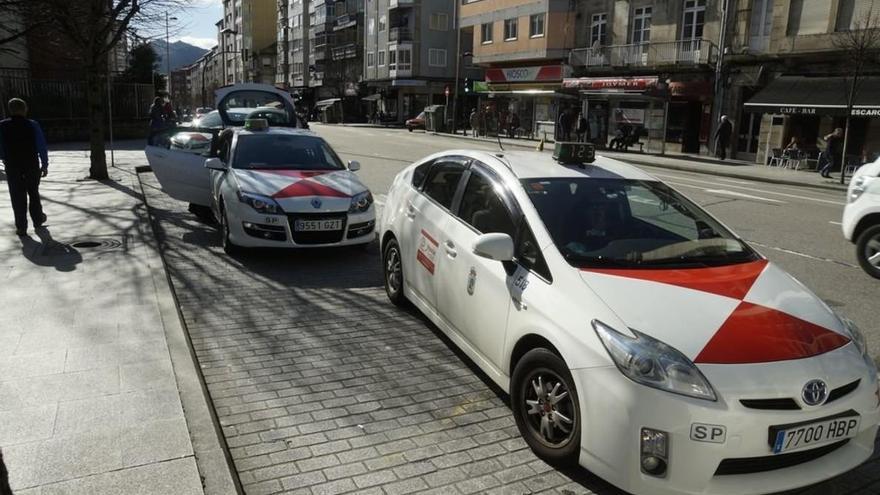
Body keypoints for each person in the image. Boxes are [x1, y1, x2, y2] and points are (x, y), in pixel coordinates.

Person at [0, 98, 49, 236]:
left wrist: (4, 157)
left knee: (17, 196)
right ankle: (38, 219)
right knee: (33, 193)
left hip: (12, 166)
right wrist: (44, 164)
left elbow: (1, 146)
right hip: (31, 164)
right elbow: (41, 146)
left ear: (10, 110)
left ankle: (21, 226)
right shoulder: (32, 125)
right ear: (24, 109)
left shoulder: (2, 126)